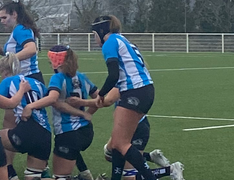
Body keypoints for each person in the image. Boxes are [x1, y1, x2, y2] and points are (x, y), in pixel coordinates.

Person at [89, 15, 156, 180]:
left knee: (120, 143)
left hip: (135, 91)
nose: (94, 39)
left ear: (101, 31)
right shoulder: (122, 40)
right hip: (144, 90)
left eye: (94, 35)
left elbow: (113, 75)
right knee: (117, 142)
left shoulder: (109, 43)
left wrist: (101, 94)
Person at [23, 46, 97, 180]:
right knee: (70, 156)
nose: (50, 64)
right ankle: (85, 173)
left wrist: (30, 106)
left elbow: (53, 99)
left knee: (60, 177)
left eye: (50, 61)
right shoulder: (82, 77)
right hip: (86, 130)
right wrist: (87, 112)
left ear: (57, 62)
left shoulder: (58, 78)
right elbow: (99, 99)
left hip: (68, 132)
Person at [0, 54, 52, 180]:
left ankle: (7, 172)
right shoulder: (37, 83)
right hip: (45, 134)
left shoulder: (8, 81)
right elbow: (51, 99)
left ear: (4, 72)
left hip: (27, 130)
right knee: (33, 176)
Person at [0, 1, 43, 84]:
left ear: (14, 14)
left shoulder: (20, 29)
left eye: (4, 17)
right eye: (1, 18)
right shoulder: (18, 29)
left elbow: (31, 49)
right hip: (24, 77)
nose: (2, 21)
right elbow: (19, 53)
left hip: (28, 78)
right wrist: (2, 52)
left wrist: (8, 61)